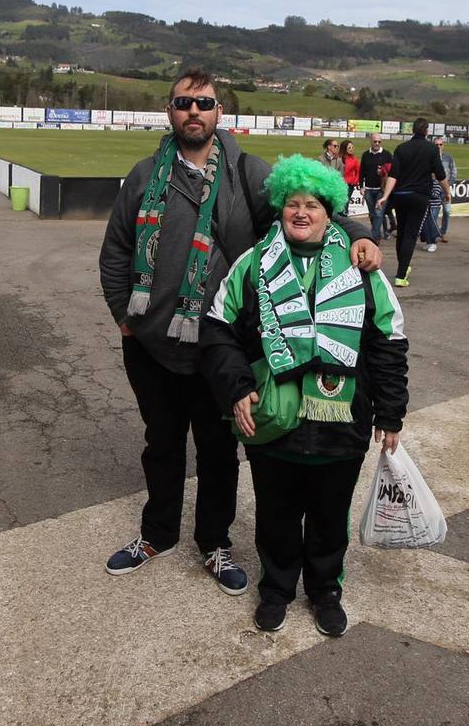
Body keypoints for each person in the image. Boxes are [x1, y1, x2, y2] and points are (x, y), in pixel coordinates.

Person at [99, 68, 381, 594]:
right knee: (160, 443)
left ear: (218, 114)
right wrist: (124, 314)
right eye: (183, 102)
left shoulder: (246, 171)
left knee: (217, 450)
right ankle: (157, 532)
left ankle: (214, 543)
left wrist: (360, 234)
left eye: (203, 103)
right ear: (170, 111)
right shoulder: (144, 175)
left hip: (217, 342)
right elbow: (116, 249)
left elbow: (305, 209)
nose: (193, 112)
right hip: (151, 342)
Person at [200, 155, 408, 637]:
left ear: (329, 210)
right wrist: (238, 389)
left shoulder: (362, 265)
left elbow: (389, 340)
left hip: (344, 419)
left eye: (312, 204)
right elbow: (217, 330)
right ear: (279, 207)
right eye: (292, 203)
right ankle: (276, 588)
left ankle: (324, 589)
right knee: (276, 513)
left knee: (330, 516)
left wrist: (391, 413)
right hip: (273, 417)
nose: (301, 212)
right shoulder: (252, 264)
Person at [378, 118, 450, 288]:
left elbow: (393, 175)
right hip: (419, 196)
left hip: (401, 195)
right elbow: (440, 175)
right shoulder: (431, 149)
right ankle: (401, 275)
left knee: (402, 233)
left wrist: (385, 196)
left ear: (412, 130)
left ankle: (403, 266)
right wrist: (447, 191)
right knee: (410, 234)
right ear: (426, 131)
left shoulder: (401, 149)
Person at [360, 133, 394, 242]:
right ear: (371, 142)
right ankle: (378, 232)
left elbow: (392, 172)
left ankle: (374, 237)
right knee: (372, 214)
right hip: (369, 189)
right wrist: (361, 186)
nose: (377, 144)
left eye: (379, 142)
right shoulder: (366, 155)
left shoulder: (387, 155)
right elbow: (362, 172)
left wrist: (384, 174)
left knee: (379, 213)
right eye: (375, 141)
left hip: (382, 189)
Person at [434, 136, 457, 242]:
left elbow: (454, 172)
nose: (438, 147)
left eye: (440, 144)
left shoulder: (449, 157)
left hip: (445, 190)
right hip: (434, 190)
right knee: (433, 212)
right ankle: (433, 233)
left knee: (447, 212)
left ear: (443, 145)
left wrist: (448, 184)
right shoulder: (430, 157)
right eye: (436, 145)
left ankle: (443, 233)